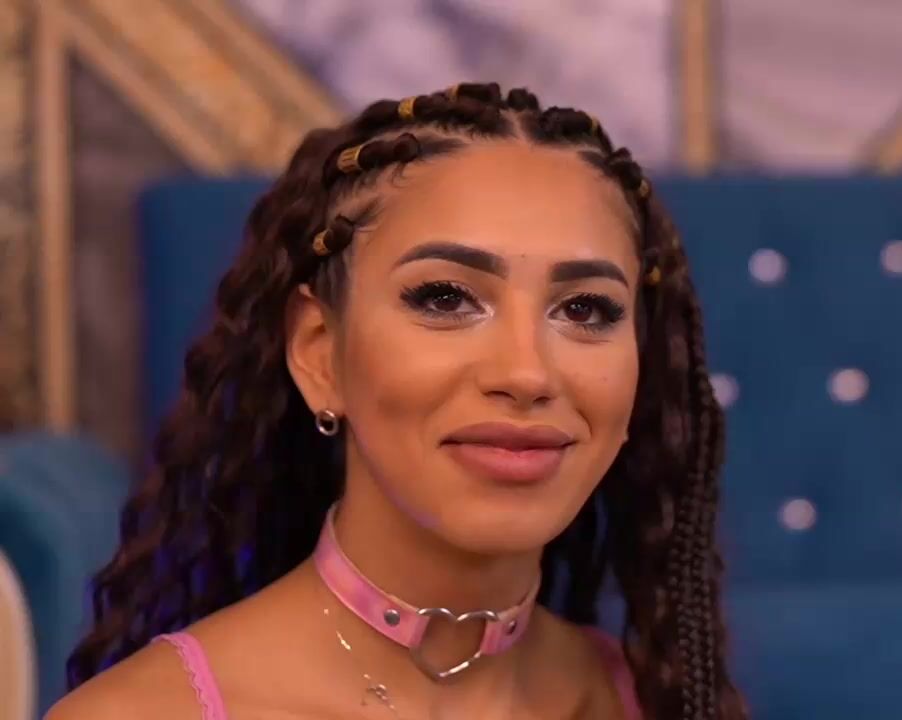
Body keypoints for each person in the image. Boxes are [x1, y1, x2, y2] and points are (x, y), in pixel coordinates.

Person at [48, 83, 746, 719]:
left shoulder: (647, 697)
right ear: (320, 353)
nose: (527, 373)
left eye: (586, 309)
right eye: (445, 298)